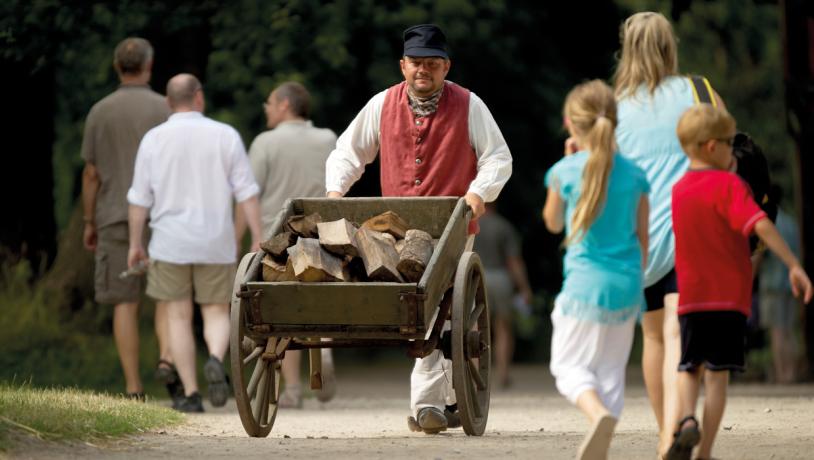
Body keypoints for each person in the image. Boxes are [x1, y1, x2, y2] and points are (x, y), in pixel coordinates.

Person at [324, 24, 512, 434]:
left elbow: (498, 157)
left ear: (446, 67)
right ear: (403, 65)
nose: (422, 70)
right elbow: (348, 151)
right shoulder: (382, 104)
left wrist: (478, 193)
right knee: (423, 309)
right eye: (415, 63)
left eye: (431, 64)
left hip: (453, 226)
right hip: (397, 229)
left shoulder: (469, 104)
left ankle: (427, 405)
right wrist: (336, 189)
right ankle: (442, 399)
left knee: (434, 308)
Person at [667, 104, 812, 460]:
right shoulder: (730, 186)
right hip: (729, 301)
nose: (735, 153)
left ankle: (685, 420)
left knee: (689, 368)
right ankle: (705, 454)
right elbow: (759, 224)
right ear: (713, 147)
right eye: (731, 145)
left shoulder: (679, 190)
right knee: (717, 379)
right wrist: (793, 264)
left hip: (691, 299)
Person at [612, 12, 725, 456]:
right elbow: (727, 145)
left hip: (638, 237)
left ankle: (666, 437)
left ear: (628, 47)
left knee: (654, 336)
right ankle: (685, 417)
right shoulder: (699, 91)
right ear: (668, 45)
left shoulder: (613, 106)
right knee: (682, 332)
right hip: (692, 231)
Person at [127, 73, 263, 412]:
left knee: (177, 317)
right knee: (216, 311)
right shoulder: (225, 135)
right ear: (198, 97)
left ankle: (190, 394)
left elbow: (139, 200)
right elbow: (246, 192)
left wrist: (134, 244)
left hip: (169, 243)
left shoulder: (153, 140)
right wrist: (258, 236)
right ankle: (216, 358)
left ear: (168, 102)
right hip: (214, 241)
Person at [543, 80, 650, 460]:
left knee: (568, 366)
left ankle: (598, 414)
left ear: (571, 123)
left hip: (585, 287)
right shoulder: (637, 175)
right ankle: (603, 426)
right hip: (627, 285)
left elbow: (553, 223)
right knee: (610, 370)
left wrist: (568, 159)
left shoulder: (565, 171)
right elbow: (643, 238)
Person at [80, 37, 173, 401]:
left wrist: (90, 221)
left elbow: (91, 174)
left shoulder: (99, 111)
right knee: (168, 296)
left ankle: (133, 387)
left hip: (115, 216)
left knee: (125, 301)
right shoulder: (164, 108)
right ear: (149, 66)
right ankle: (168, 361)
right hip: (164, 216)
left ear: (117, 67)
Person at [241, 81, 339, 408]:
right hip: (324, 235)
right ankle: (323, 349)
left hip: (278, 239)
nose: (266, 108)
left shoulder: (265, 142)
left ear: (284, 105)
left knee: (285, 310)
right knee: (322, 298)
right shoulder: (327, 139)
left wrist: (237, 236)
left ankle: (293, 389)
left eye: (269, 102)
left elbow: (248, 194)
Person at [472, 202, 532, 389]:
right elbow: (514, 261)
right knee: (503, 328)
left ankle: (474, 375)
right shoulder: (503, 226)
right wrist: (524, 288)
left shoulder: (470, 225)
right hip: (500, 279)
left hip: (474, 277)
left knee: (474, 330)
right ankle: (503, 374)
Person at [758, 186, 802, 383]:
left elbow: (759, 256)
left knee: (777, 331)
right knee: (788, 330)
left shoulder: (768, 223)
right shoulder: (792, 223)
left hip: (772, 285)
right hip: (790, 285)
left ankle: (782, 374)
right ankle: (791, 372)